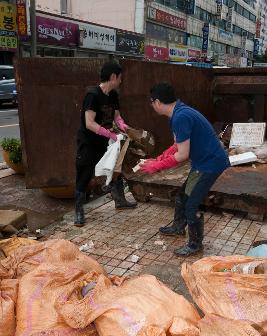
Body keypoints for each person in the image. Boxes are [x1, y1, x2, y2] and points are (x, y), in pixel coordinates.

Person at [140, 82, 230, 256]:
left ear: (157, 102)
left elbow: (182, 155)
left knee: (191, 204)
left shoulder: (180, 116)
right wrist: (158, 158)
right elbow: (177, 145)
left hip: (210, 164)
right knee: (183, 196)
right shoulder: (178, 113)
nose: (152, 106)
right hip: (203, 162)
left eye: (151, 103)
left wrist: (156, 166)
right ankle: (178, 227)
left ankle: (195, 244)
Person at [75, 61, 136, 227]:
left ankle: (120, 200)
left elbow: (117, 117)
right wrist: (109, 133)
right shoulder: (92, 95)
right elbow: (89, 123)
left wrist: (125, 127)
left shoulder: (113, 95)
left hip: (106, 141)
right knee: (84, 174)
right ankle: (78, 210)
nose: (121, 81)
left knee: (116, 168)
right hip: (89, 142)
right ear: (113, 77)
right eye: (120, 78)